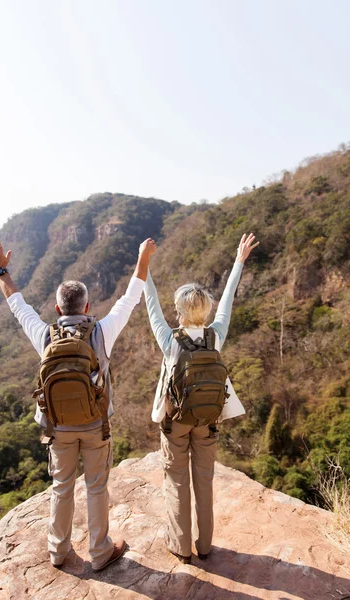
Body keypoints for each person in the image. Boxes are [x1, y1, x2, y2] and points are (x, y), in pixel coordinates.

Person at [0, 237, 156, 571]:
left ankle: (58, 552)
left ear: (58, 309)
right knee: (96, 487)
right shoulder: (102, 332)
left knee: (61, 487)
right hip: (95, 426)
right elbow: (131, 296)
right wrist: (143, 258)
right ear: (87, 308)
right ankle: (100, 551)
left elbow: (17, 305)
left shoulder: (45, 335)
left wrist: (0, 269)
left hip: (58, 427)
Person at [144, 233, 259, 563]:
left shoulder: (170, 340)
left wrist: (145, 266)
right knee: (204, 482)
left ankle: (181, 549)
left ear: (178, 312)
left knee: (177, 481)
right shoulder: (216, 335)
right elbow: (228, 300)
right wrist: (239, 261)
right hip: (208, 419)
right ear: (206, 311)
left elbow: (150, 302)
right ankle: (205, 546)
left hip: (175, 422)